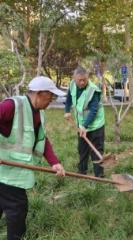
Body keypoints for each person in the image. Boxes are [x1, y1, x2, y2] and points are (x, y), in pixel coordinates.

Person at [0, 76, 66, 240]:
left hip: (15, 172)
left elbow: (42, 140)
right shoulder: (12, 105)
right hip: (7, 173)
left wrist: (54, 162)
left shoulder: (38, 112)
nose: (51, 100)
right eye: (50, 96)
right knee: (17, 210)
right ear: (39, 93)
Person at [64, 66, 105, 177]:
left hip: (96, 126)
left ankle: (99, 176)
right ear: (74, 78)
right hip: (81, 125)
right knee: (82, 149)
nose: (82, 82)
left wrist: (85, 126)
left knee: (96, 150)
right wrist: (67, 110)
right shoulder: (72, 84)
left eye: (84, 80)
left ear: (88, 78)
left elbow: (93, 110)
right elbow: (68, 98)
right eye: (79, 80)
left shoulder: (93, 90)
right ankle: (82, 172)